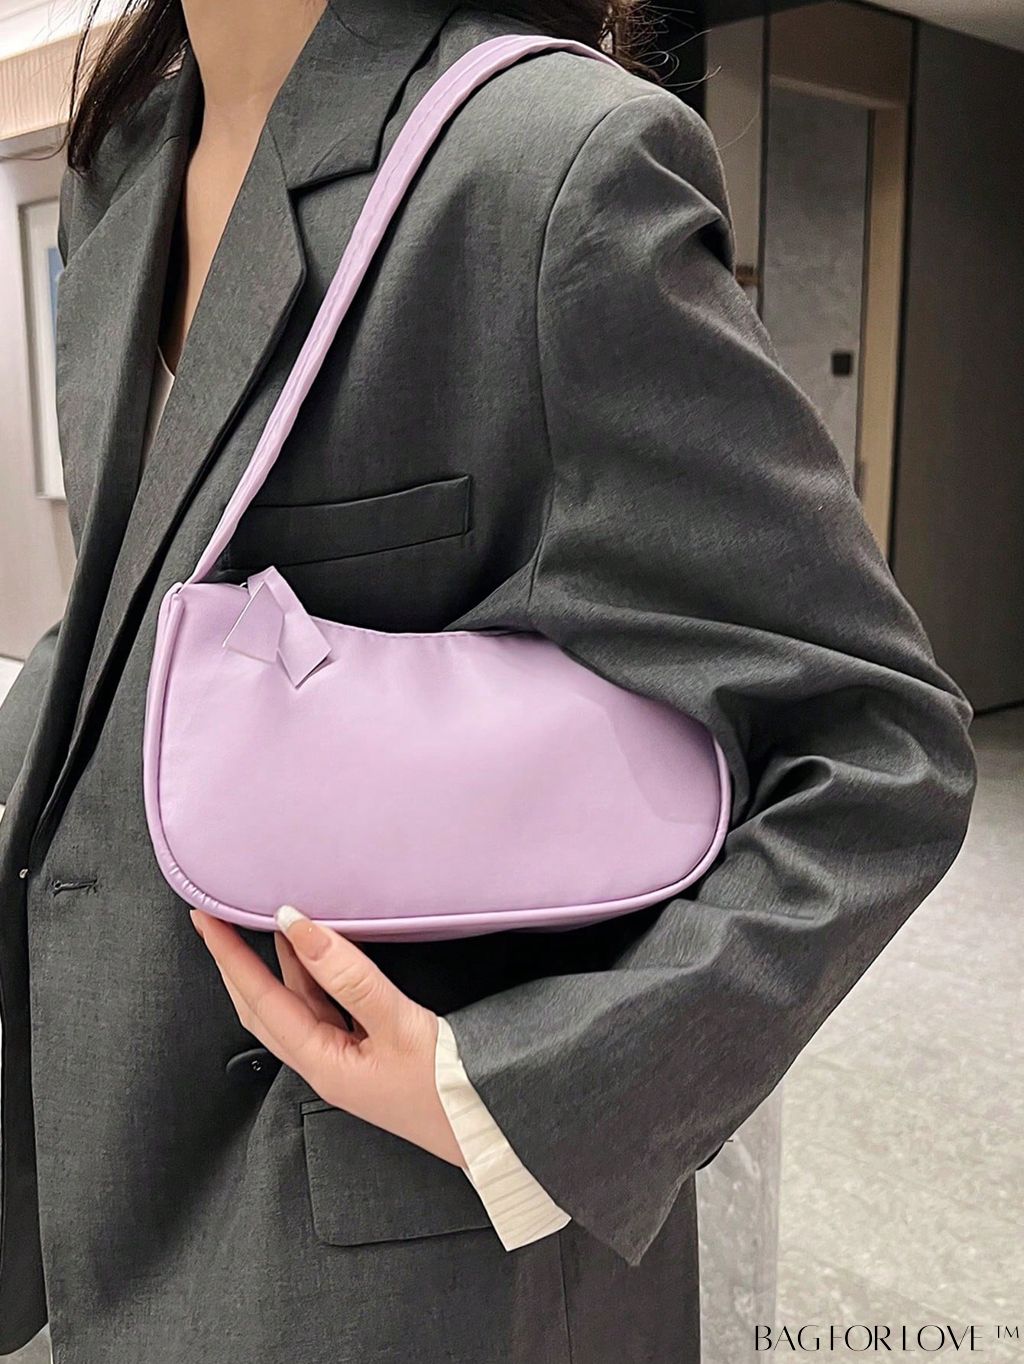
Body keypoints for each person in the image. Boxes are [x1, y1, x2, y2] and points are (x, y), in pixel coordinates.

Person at [0, 0, 977, 1359]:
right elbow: (132, 603)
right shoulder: (122, 160)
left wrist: (516, 1093)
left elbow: (880, 748)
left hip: (397, 1268)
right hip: (109, 1153)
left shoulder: (547, 167)